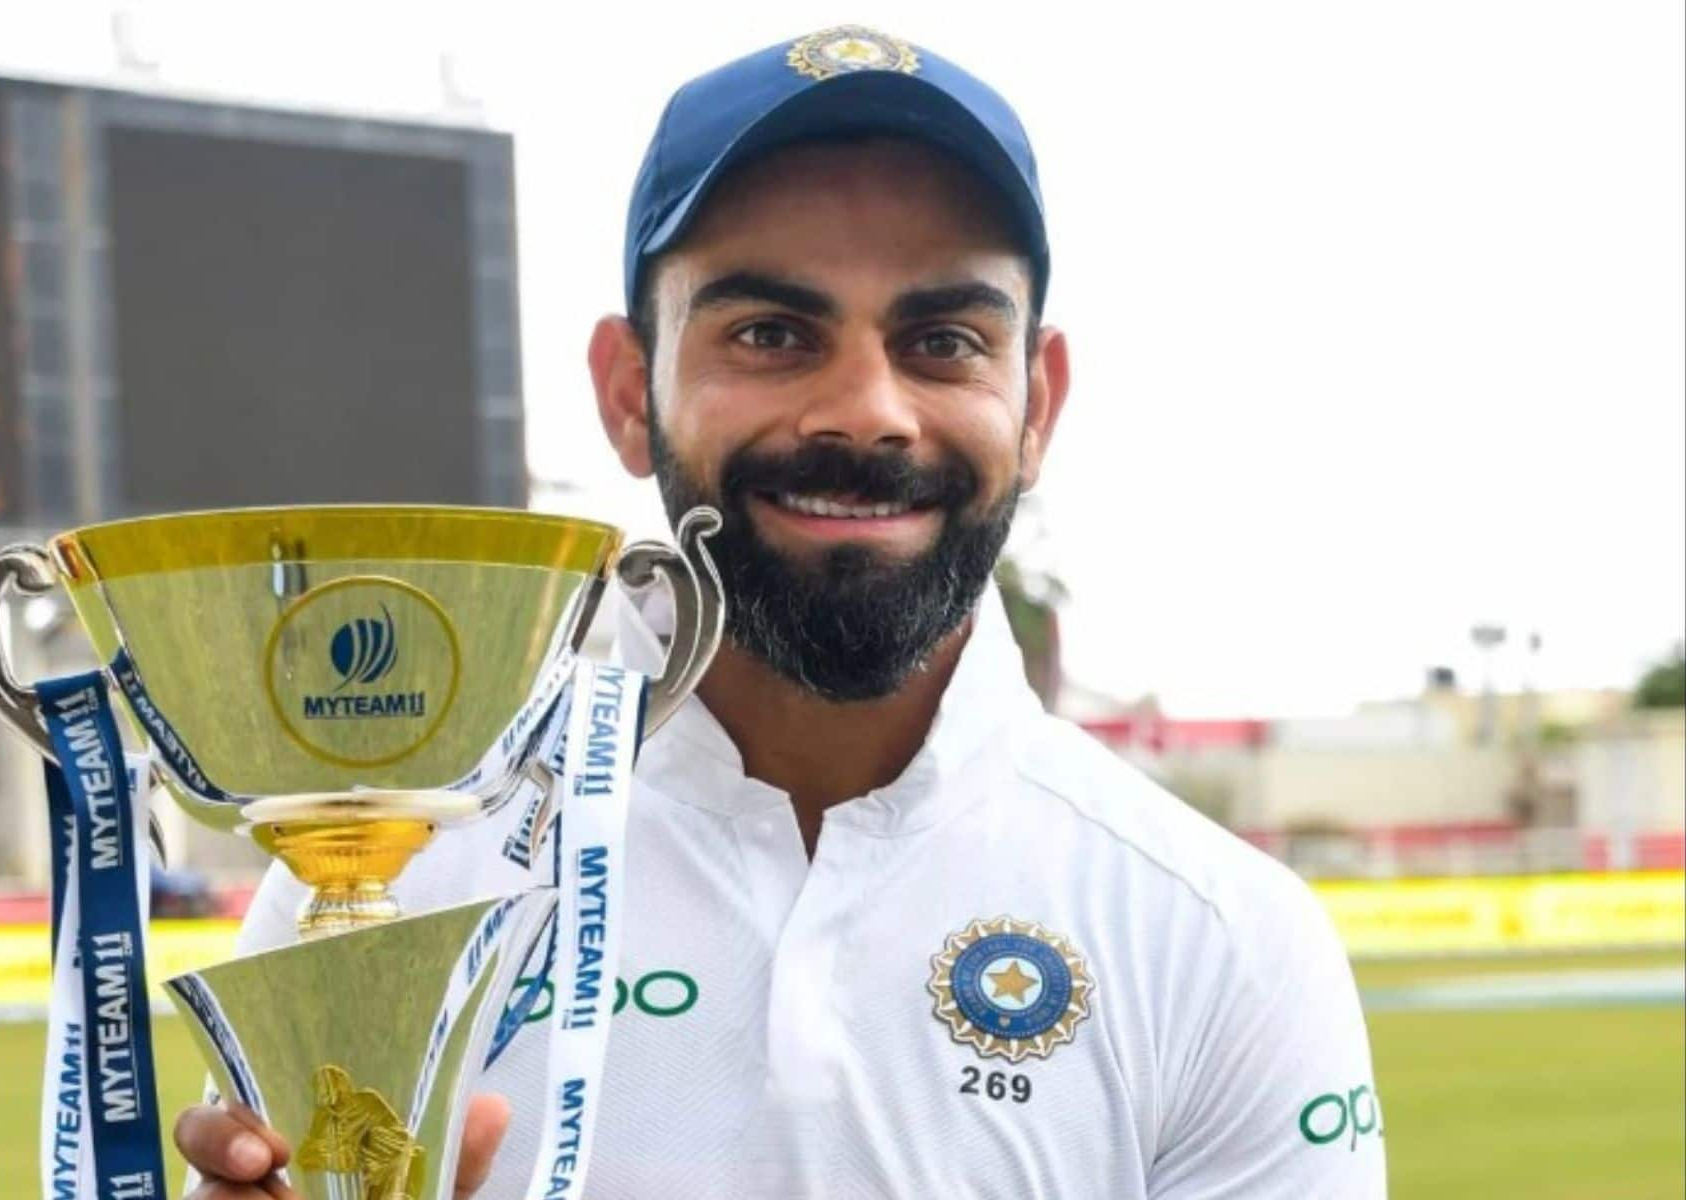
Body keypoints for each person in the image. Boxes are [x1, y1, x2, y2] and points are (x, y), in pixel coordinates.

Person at [177, 25, 1386, 1198]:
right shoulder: (396, 869)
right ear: (627, 391)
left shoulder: (1220, 937)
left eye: (944, 340)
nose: (866, 411)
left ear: (1037, 404)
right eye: (770, 333)